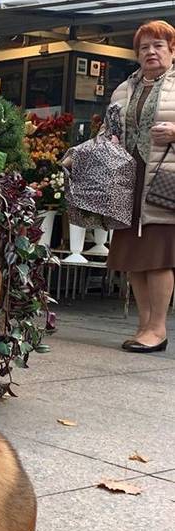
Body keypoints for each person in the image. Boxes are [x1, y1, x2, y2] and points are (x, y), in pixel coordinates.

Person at [105, 20, 175, 353]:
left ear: (172, 50)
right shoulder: (124, 88)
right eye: (144, 47)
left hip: (165, 181)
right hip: (129, 181)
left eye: (158, 45)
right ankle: (144, 325)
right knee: (132, 255)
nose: (151, 52)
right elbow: (107, 132)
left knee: (158, 255)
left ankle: (158, 328)